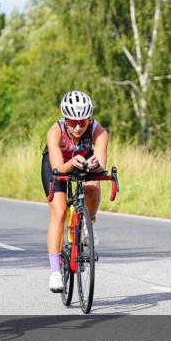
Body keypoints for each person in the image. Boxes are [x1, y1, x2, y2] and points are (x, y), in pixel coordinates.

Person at [42, 91, 109, 293]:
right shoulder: (55, 131)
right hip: (59, 165)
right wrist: (71, 162)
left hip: (84, 161)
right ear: (65, 119)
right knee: (60, 211)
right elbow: (57, 168)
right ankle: (55, 272)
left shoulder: (99, 132)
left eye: (83, 121)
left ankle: (89, 224)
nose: (79, 127)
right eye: (73, 123)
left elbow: (101, 165)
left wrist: (94, 164)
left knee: (93, 187)